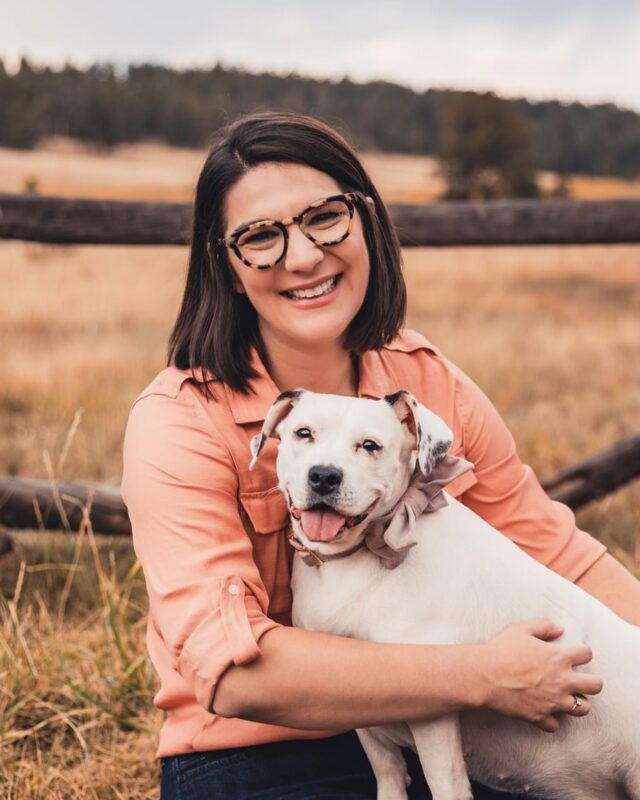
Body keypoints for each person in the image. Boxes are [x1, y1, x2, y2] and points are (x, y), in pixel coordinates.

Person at [121, 111, 640, 800]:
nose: (303, 257)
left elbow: (555, 552)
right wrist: (480, 675)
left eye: (325, 218)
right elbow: (233, 671)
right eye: (261, 237)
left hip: (458, 740)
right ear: (226, 262)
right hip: (256, 754)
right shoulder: (180, 423)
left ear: (366, 220)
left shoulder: (426, 381)